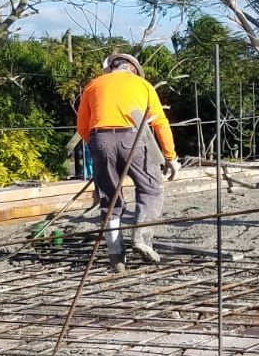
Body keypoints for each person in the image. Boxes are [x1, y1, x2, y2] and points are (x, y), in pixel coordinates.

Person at [76, 52, 181, 267]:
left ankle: (116, 257)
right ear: (133, 69)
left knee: (110, 199)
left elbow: (82, 129)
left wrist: (100, 150)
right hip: (134, 137)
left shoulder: (93, 85)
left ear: (111, 68)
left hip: (99, 138)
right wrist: (171, 157)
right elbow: (160, 123)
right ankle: (141, 239)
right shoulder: (143, 85)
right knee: (151, 189)